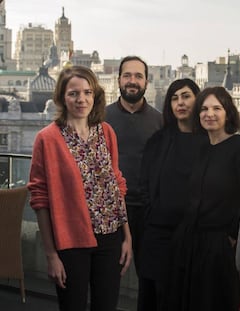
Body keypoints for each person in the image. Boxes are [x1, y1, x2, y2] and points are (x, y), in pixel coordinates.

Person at [28, 65, 132, 311]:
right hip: (71, 241)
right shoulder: (47, 138)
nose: (81, 99)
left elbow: (117, 186)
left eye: (87, 92)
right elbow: (40, 200)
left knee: (106, 306)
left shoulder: (106, 132)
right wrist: (51, 255)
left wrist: (127, 237)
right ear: (62, 97)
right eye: (73, 93)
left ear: (95, 95)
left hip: (110, 237)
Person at [167, 86, 240, 311]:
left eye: (217, 108)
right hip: (191, 244)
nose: (210, 113)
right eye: (204, 109)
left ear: (228, 112)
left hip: (220, 247)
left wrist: (232, 237)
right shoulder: (201, 148)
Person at [137, 78, 205, 311]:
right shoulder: (159, 140)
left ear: (198, 100)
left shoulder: (210, 142)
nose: (180, 103)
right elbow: (144, 182)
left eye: (186, 96)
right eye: (174, 98)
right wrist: (152, 212)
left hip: (194, 239)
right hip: (158, 236)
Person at [105, 56, 163, 280]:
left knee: (149, 280)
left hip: (148, 214)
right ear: (118, 80)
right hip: (110, 214)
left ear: (147, 82)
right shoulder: (100, 117)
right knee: (107, 281)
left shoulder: (160, 121)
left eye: (138, 76)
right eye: (127, 75)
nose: (132, 81)